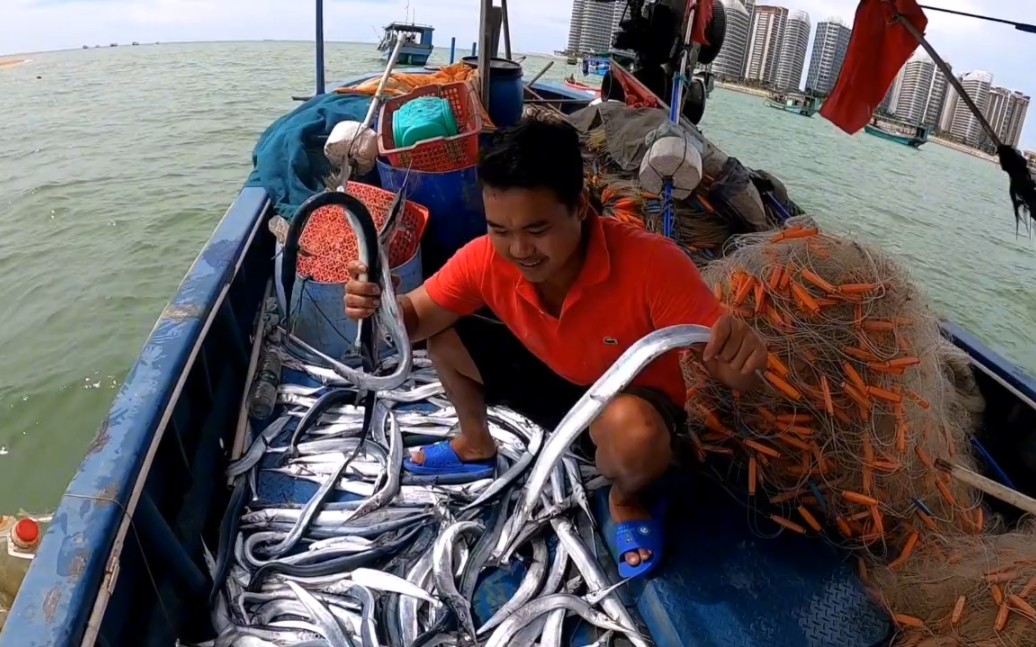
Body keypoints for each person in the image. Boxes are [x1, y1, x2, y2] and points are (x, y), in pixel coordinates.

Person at [344, 118, 766, 578]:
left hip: (622, 400)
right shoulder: (486, 256)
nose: (519, 248)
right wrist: (379, 302)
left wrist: (743, 357)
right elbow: (418, 316)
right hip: (550, 375)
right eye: (500, 229)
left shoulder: (655, 265)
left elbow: (729, 368)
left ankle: (628, 499)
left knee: (636, 435)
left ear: (580, 207)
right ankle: (474, 444)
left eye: (537, 228)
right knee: (445, 333)